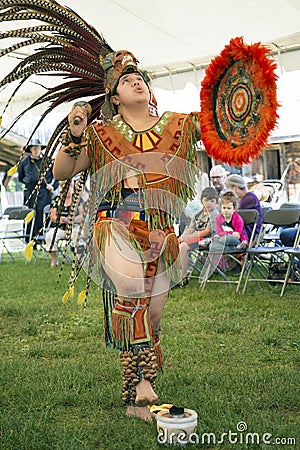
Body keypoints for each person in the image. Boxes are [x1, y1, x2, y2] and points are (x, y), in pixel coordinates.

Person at [53, 53, 202, 423]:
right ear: (114, 97)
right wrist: (73, 134)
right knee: (131, 292)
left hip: (162, 232)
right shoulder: (100, 133)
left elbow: (224, 129)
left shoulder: (181, 125)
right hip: (116, 224)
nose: (138, 83)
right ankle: (139, 393)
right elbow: (63, 171)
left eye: (141, 79)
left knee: (152, 315)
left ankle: (141, 387)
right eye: (126, 80)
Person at [17, 139, 59, 239]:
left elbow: (56, 176)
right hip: (30, 193)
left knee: (42, 214)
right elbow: (21, 177)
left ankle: (43, 238)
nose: (37, 150)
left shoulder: (48, 161)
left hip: (44, 193)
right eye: (34, 148)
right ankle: (29, 238)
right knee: (30, 214)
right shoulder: (24, 162)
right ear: (30, 149)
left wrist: (52, 186)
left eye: (38, 148)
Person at [179, 187, 219, 280]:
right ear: (201, 201)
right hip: (198, 239)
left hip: (210, 240)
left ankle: (182, 276)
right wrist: (182, 237)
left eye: (212, 201)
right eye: (206, 200)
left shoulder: (214, 214)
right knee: (176, 243)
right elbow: (191, 228)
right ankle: (175, 273)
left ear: (216, 202)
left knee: (183, 247)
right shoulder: (198, 214)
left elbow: (208, 231)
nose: (209, 203)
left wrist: (189, 238)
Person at [45, 182, 84, 267]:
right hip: (61, 228)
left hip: (74, 227)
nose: (68, 191)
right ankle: (54, 261)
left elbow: (82, 216)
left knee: (76, 234)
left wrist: (72, 219)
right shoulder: (57, 200)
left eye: (69, 188)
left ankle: (81, 260)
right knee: (49, 236)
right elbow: (52, 217)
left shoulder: (77, 199)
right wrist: (60, 219)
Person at [225, 174, 263, 243]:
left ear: (235, 188)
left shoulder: (250, 198)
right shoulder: (242, 199)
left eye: (228, 189)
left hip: (250, 234)